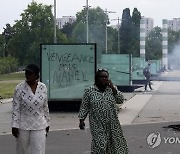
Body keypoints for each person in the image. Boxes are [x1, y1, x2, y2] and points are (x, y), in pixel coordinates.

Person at [78, 69, 129, 154]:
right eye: (102, 77)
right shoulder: (89, 91)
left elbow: (120, 100)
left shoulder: (111, 90)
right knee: (100, 144)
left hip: (112, 123)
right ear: (97, 78)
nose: (105, 79)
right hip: (97, 123)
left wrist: (113, 88)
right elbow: (84, 106)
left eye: (106, 77)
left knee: (115, 145)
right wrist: (81, 120)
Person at [11, 64, 50, 154]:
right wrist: (14, 125)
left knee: (38, 150)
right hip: (23, 125)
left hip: (39, 124)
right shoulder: (19, 88)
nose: (27, 75)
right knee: (22, 150)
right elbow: (16, 108)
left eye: (30, 73)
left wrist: (47, 122)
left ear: (36, 76)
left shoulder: (43, 87)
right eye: (26, 72)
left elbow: (45, 106)